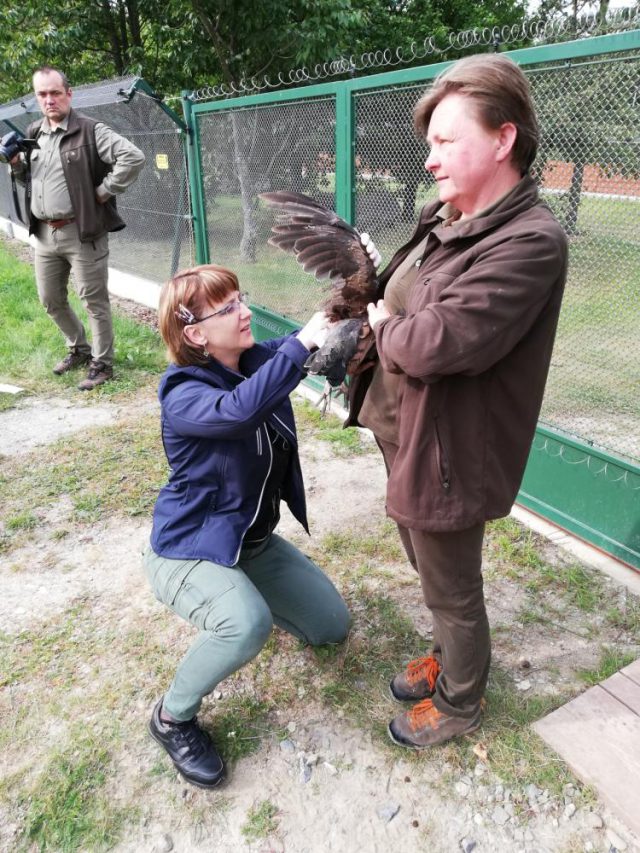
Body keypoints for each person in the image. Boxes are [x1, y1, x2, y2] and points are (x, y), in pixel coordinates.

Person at [346, 53, 568, 748]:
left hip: (450, 449)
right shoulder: (446, 214)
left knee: (451, 584)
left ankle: (460, 700)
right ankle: (446, 654)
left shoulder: (530, 241)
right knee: (423, 559)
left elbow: (432, 343)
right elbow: (392, 293)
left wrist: (385, 326)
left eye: (447, 141)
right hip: (406, 428)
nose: (432, 159)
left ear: (503, 139)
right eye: (430, 145)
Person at [145, 264, 350, 788]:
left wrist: (351, 302)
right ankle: (172, 716)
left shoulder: (255, 360)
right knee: (246, 624)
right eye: (229, 307)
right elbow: (238, 411)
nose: (245, 312)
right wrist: (302, 344)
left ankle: (243, 598)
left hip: (251, 544)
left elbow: (310, 344)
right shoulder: (183, 393)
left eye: (242, 298)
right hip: (190, 549)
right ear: (194, 333)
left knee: (331, 627)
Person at [10, 67, 145, 390]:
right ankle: (79, 348)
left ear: (69, 94)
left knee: (93, 301)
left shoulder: (90, 131)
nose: (49, 99)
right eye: (42, 94)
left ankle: (103, 363)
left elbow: (133, 157)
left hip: (82, 232)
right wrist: (16, 166)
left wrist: (102, 192)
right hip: (45, 234)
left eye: (55, 92)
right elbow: (28, 180)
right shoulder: (34, 133)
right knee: (50, 299)